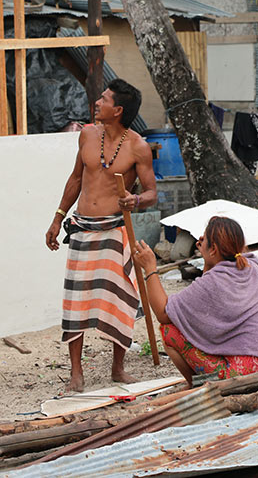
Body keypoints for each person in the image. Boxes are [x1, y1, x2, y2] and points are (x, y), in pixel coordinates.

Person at [45, 79, 156, 392]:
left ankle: (118, 368)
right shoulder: (87, 134)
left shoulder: (138, 146)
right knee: (76, 301)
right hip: (82, 229)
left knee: (120, 299)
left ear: (117, 110)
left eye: (104, 99)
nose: (97, 101)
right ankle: (76, 373)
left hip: (115, 231)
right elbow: (76, 178)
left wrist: (135, 200)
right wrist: (57, 218)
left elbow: (151, 193)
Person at [134, 216, 258, 387]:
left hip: (241, 376)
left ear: (214, 249)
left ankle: (197, 386)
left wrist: (150, 268)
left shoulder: (212, 283)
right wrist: (210, 255)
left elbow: (164, 313)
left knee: (169, 331)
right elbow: (230, 256)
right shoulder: (252, 266)